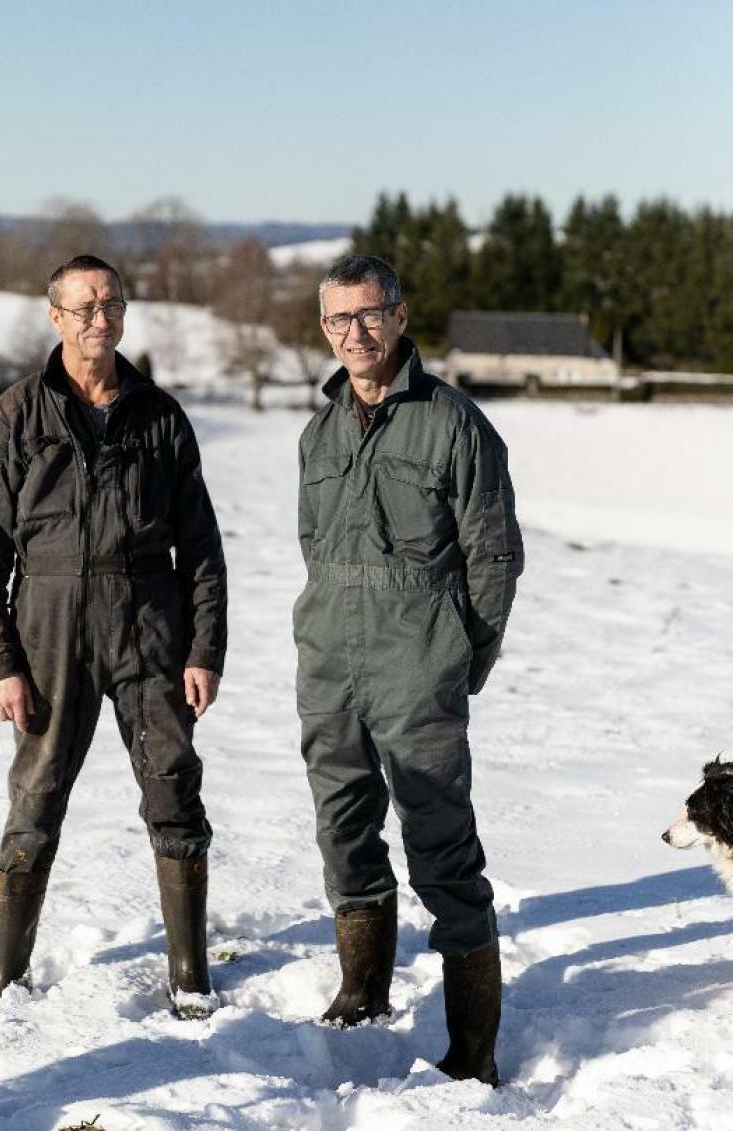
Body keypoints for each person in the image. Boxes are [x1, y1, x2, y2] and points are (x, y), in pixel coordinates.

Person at [0, 254, 227, 1016]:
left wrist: (204, 647)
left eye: (110, 303)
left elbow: (202, 549)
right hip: (49, 625)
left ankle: (189, 977)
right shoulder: (19, 413)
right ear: (55, 317)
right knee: (37, 795)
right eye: (82, 307)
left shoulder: (160, 416)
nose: (98, 319)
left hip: (149, 622)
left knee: (173, 786)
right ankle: (6, 979)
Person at [293, 255, 523, 1084]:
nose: (353, 333)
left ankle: (472, 1044)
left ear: (397, 314)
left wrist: (458, 657)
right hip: (328, 661)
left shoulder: (453, 422)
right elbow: (316, 550)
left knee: (440, 846)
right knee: (343, 828)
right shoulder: (317, 431)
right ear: (323, 328)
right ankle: (362, 986)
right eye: (336, 320)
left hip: (417, 661)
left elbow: (493, 557)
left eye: (368, 314)